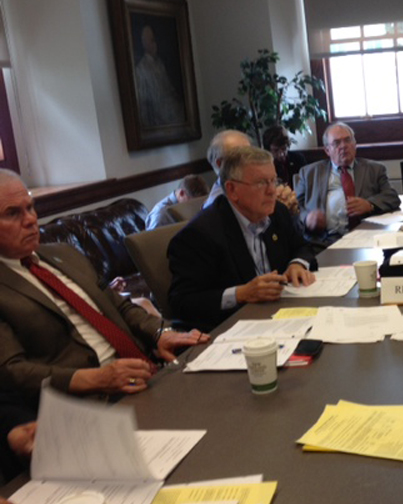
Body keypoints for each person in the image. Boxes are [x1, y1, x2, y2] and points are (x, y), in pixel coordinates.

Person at [0, 170, 209, 402]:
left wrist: (160, 333)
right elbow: (12, 371)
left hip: (147, 369)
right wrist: (95, 378)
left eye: (30, 208)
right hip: (90, 399)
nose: (30, 219)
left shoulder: (64, 253)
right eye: (12, 213)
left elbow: (120, 307)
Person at [168, 146, 318, 329]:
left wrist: (297, 264)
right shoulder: (200, 235)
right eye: (262, 183)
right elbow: (182, 302)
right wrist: (241, 294)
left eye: (274, 180)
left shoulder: (277, 212)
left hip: (284, 316)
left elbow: (302, 246)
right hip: (234, 328)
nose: (272, 191)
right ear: (232, 190)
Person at [296, 122, 401, 251]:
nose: (343, 146)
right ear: (327, 150)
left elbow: (392, 197)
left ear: (355, 144)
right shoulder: (309, 173)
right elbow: (294, 207)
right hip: (321, 242)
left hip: (365, 238)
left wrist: (369, 205)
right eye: (336, 143)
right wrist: (307, 218)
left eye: (347, 140)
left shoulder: (375, 169)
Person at [135, 25, 185, 128]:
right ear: (144, 43)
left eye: (155, 40)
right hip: (159, 118)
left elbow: (169, 88)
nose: (155, 44)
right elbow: (142, 103)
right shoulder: (141, 69)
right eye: (152, 40)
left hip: (171, 111)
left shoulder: (160, 63)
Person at [204, 130, 253, 209]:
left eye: (250, 154)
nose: (250, 160)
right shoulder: (219, 204)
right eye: (241, 156)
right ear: (220, 164)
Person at [263, 125, 304, 216]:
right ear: (268, 149)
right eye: (276, 150)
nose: (281, 154)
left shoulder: (298, 159)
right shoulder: (265, 166)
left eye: (284, 149)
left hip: (298, 203)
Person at [145, 174, 209, 230]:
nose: (196, 207)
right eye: (193, 203)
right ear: (181, 193)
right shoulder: (160, 215)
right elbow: (154, 242)